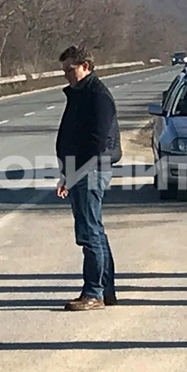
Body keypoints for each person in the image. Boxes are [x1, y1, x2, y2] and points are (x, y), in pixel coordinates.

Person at [55, 45, 123, 311]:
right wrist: (65, 174)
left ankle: (93, 293)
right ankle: (106, 290)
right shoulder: (82, 94)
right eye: (64, 71)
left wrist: (73, 175)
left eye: (70, 70)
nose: (67, 75)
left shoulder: (97, 96)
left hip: (91, 171)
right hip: (80, 170)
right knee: (95, 229)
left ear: (86, 66)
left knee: (89, 232)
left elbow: (95, 144)